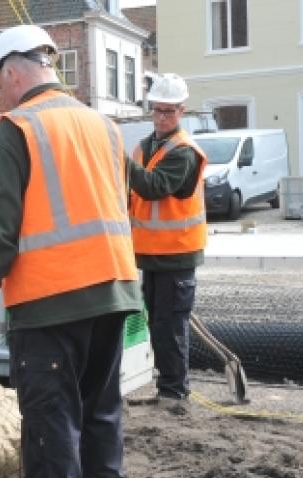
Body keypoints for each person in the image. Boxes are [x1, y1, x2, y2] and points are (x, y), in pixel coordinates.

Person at [0, 25, 142, 478]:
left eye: (0, 84)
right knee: (100, 406)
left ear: (13, 73)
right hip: (114, 288)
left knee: (50, 414)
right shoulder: (104, 126)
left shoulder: (17, 128)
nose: (2, 96)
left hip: (50, 298)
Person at [126, 73, 207, 414]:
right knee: (158, 326)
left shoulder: (183, 153)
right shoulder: (145, 147)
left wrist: (116, 158)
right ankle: (168, 389)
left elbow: (153, 186)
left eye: (168, 111)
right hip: (152, 255)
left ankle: (175, 394)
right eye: (157, 110)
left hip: (177, 254)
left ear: (181, 111)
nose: (161, 117)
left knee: (170, 327)